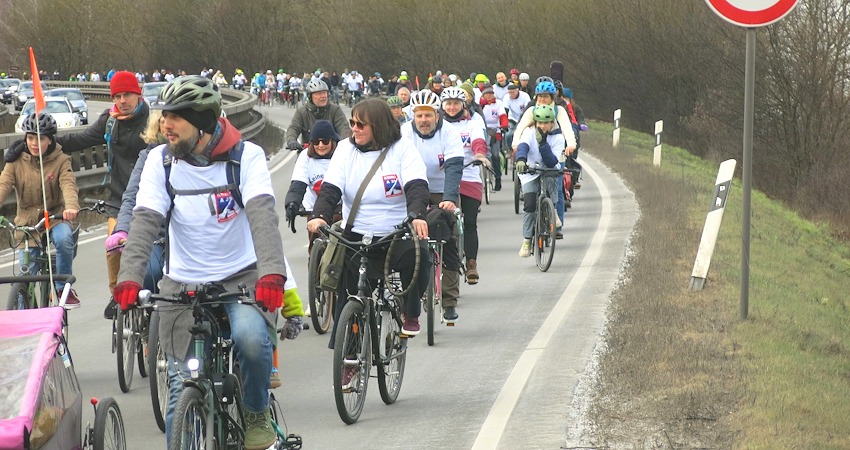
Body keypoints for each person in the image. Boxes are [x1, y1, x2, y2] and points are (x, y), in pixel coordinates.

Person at [113, 76, 302, 449]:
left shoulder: (245, 157)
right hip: (182, 283)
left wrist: (272, 276)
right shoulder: (159, 161)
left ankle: (255, 410)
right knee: (181, 387)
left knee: (250, 340)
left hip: (241, 278)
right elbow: (146, 220)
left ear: (202, 123)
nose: (165, 124)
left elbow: (263, 218)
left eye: (176, 117)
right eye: (164, 115)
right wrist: (129, 278)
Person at [3, 71, 149, 316]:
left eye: (127, 95)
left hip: (150, 196)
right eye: (117, 96)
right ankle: (117, 295)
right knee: (114, 247)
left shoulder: (153, 122)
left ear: (138, 95)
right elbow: (80, 140)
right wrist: (42, 140)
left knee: (155, 253)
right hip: (119, 198)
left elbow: (69, 184)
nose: (122, 101)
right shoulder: (109, 120)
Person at [306, 99, 430, 338]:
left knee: (419, 255)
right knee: (348, 296)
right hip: (357, 234)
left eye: (361, 124)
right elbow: (331, 189)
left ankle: (411, 312)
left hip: (395, 232)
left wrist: (416, 215)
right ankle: (349, 356)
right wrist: (319, 216)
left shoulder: (403, 149)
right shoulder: (344, 149)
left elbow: (417, 186)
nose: (354, 128)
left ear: (379, 126)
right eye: (352, 123)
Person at [0, 113, 81, 306]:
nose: (35, 143)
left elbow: (69, 184)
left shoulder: (61, 160)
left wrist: (71, 207)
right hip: (27, 224)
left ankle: (62, 288)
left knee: (63, 239)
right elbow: (3, 184)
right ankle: (23, 315)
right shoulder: (15, 161)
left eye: (40, 138)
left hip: (55, 217)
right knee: (26, 274)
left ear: (50, 140)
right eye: (30, 138)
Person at [401, 90, 464, 322]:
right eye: (419, 116)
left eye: (428, 115)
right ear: (413, 116)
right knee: (403, 236)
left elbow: (454, 167)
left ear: (437, 115)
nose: (424, 120)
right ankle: (403, 294)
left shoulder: (450, 133)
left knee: (447, 235)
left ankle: (449, 300)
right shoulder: (403, 133)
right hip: (412, 189)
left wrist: (449, 198)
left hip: (440, 190)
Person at [440, 86, 489, 285]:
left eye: (456, 103)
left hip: (468, 176)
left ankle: (471, 264)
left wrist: (480, 155)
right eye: (448, 104)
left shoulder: (473, 123)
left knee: (470, 223)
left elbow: (479, 142)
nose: (452, 107)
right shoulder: (438, 126)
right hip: (444, 179)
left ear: (463, 104)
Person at [514, 105, 566, 257]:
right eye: (539, 123)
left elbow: (551, 161)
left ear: (552, 123)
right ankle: (527, 240)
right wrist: (521, 160)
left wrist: (543, 143)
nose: (542, 126)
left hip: (548, 168)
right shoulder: (529, 133)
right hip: (530, 170)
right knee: (529, 205)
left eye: (546, 123)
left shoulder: (558, 137)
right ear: (535, 122)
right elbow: (523, 147)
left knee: (552, 183)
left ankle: (553, 210)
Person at [284, 119, 342, 252]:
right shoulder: (305, 157)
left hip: (339, 207)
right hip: (314, 209)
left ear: (333, 141)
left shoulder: (341, 155)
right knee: (314, 247)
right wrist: (292, 204)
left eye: (325, 141)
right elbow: (297, 185)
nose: (321, 145)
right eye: (316, 142)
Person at [286, 79, 350, 151]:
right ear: (310, 97)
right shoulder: (302, 112)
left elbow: (344, 127)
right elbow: (294, 127)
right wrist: (291, 140)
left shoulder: (335, 110)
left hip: (331, 154)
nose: (323, 96)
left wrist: (345, 140)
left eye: (324, 93)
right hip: (308, 153)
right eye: (319, 94)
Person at [479, 87, 509, 191]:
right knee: (485, 155)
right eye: (486, 94)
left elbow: (503, 116)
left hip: (496, 131)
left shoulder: (498, 104)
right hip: (484, 131)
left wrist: (504, 125)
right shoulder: (481, 105)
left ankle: (498, 178)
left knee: (495, 155)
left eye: (490, 94)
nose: (488, 96)